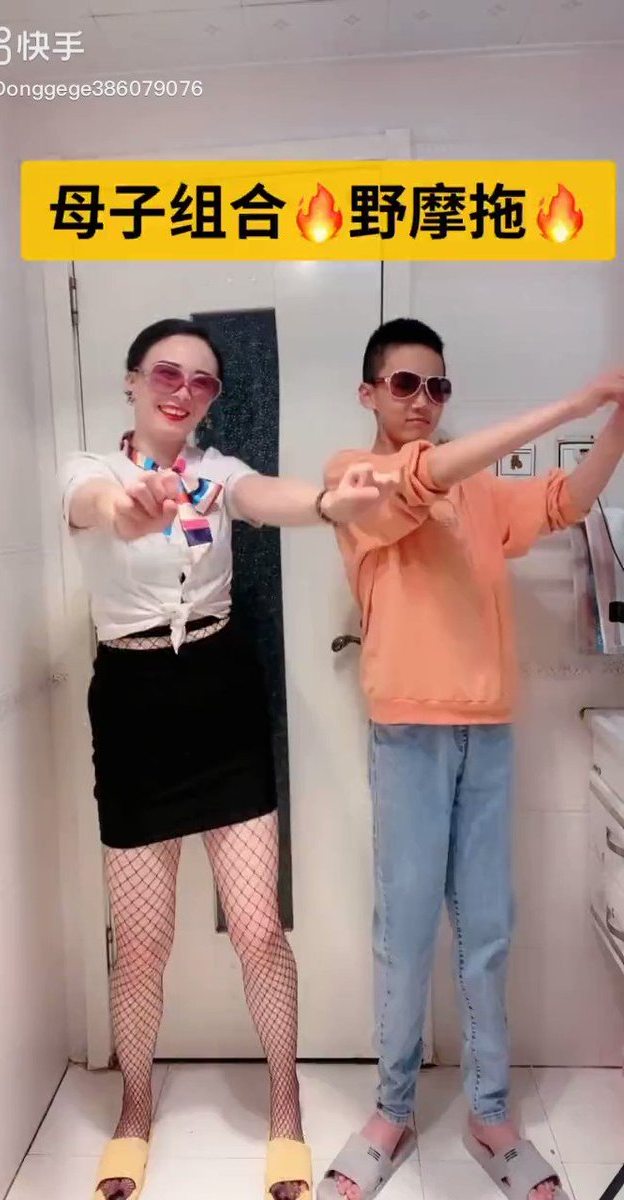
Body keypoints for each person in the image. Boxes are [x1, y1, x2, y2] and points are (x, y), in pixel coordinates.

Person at [60, 317, 389, 1200]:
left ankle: (286, 1109)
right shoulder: (89, 471)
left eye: (202, 381)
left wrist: (330, 504)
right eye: (166, 373)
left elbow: (268, 497)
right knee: (141, 945)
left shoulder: (219, 472)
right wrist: (128, 507)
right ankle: (134, 1111)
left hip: (221, 695)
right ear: (132, 379)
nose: (183, 391)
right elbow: (95, 509)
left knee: (257, 930)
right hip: (133, 706)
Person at [318, 318, 624, 1200]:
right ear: (369, 393)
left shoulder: (480, 489)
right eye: (405, 384)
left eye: (437, 387)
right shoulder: (355, 476)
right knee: (404, 933)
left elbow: (566, 502)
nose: (423, 401)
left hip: (487, 732)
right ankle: (390, 1112)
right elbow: (422, 477)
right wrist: (572, 401)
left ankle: (490, 1117)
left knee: (487, 931)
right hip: (408, 735)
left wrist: (614, 424)